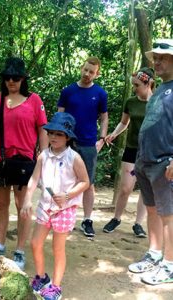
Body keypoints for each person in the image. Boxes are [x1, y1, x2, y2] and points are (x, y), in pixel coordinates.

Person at [0, 57, 48, 270]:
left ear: (23, 78)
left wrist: (43, 158)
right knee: (0, 204)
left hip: (23, 160)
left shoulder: (35, 100)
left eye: (15, 77)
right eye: (7, 77)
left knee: (22, 205)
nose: (11, 81)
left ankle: (19, 250)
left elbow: (42, 129)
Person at [21, 112, 89, 300]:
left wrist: (68, 195)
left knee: (58, 248)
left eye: (59, 134)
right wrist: (27, 199)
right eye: (51, 133)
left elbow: (85, 181)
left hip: (64, 210)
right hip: (45, 207)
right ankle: (41, 277)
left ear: (68, 137)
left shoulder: (73, 157)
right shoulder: (43, 155)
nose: (53, 137)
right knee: (35, 243)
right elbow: (34, 179)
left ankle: (56, 287)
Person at [128, 39, 173, 285]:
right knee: (153, 210)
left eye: (163, 57)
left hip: (165, 163)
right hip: (146, 162)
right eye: (155, 57)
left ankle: (169, 264)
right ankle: (155, 254)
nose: (157, 61)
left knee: (169, 214)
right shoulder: (159, 91)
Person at [57, 56, 108, 237]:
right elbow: (60, 116)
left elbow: (104, 117)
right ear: (81, 68)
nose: (87, 74)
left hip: (88, 143)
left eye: (91, 72)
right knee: (63, 180)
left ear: (97, 74)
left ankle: (87, 220)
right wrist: (57, 139)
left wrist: (102, 138)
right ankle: (62, 216)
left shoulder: (100, 93)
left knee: (88, 183)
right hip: (68, 143)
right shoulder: (68, 91)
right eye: (85, 70)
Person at [103, 67, 155, 237]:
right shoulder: (131, 102)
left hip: (151, 152)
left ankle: (138, 224)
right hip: (132, 150)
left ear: (149, 84)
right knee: (126, 188)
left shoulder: (159, 102)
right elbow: (124, 123)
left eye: (137, 85)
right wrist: (114, 134)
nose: (134, 88)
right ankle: (116, 218)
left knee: (146, 189)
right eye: (133, 85)